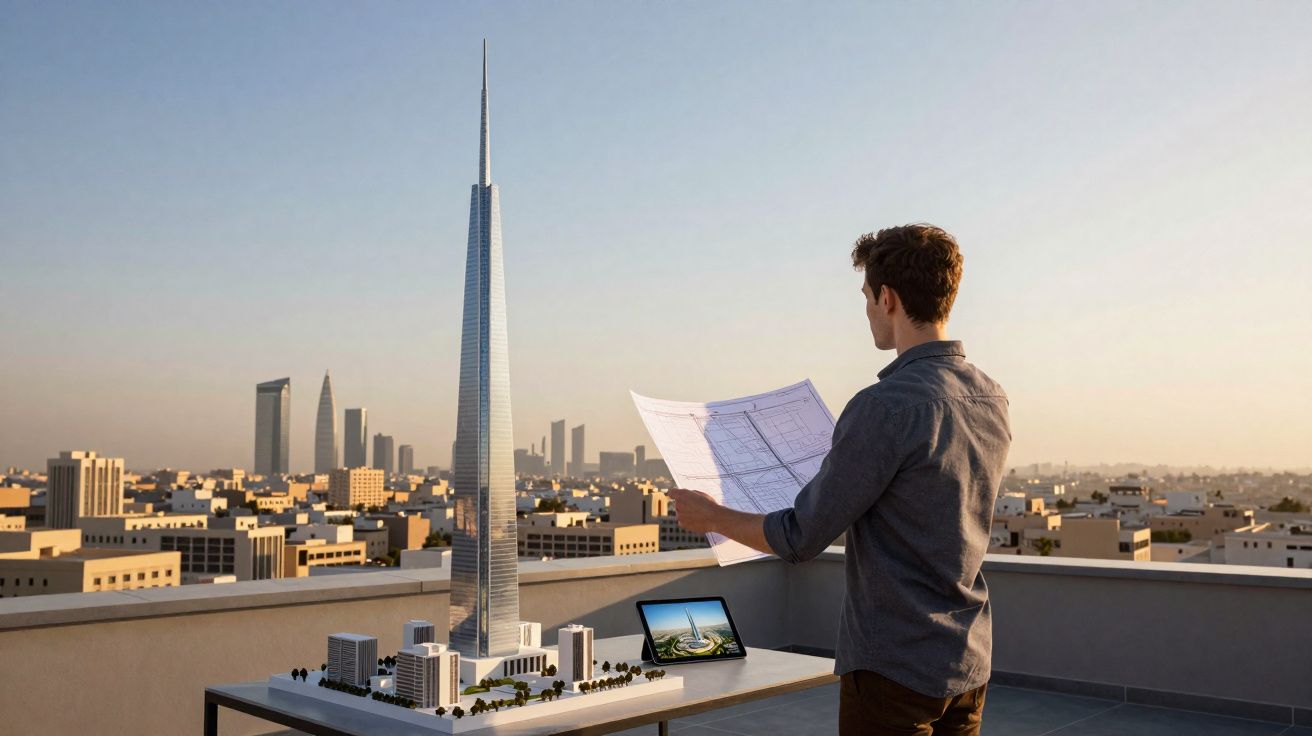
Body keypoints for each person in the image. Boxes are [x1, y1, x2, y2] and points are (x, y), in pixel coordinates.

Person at [668, 224, 1011, 736]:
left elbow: (800, 537)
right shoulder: (991, 396)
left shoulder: (883, 407)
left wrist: (711, 515)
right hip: (967, 658)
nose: (868, 311)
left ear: (888, 297)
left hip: (892, 666)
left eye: (867, 297)